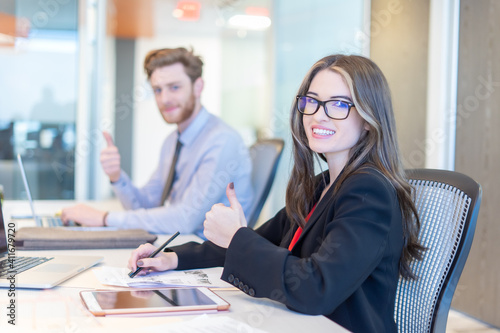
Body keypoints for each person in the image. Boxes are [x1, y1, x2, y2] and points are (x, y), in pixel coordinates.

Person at [127, 54, 425, 332]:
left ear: (369, 120)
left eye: (338, 104)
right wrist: (171, 258)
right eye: (313, 101)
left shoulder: (368, 191)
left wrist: (236, 237)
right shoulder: (322, 186)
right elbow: (259, 240)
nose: (319, 115)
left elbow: (316, 288)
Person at [61, 47, 254, 238]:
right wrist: (117, 177)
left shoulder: (221, 141)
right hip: (181, 245)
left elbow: (185, 219)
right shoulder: (173, 142)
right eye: (157, 90)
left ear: (198, 87)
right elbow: (145, 205)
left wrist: (104, 218)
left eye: (174, 87)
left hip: (211, 258)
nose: (164, 99)